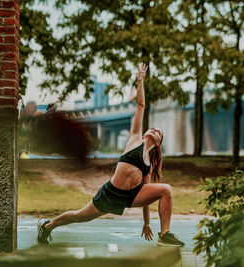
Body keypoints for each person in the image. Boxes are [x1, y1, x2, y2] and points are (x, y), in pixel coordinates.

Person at [37, 63, 184, 247]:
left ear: (158, 143)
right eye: (152, 127)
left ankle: (165, 235)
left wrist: (146, 223)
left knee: (166, 190)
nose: (154, 129)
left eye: (158, 131)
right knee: (79, 217)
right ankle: (47, 226)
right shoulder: (135, 139)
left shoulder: (148, 165)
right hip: (111, 194)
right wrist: (140, 78)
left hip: (131, 196)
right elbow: (140, 105)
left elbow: (146, 196)